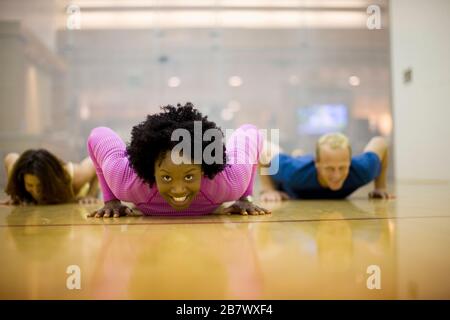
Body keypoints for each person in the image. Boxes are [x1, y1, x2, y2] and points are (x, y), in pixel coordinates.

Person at [87, 102, 270, 218]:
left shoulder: (230, 182)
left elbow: (250, 132)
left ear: (204, 169)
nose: (178, 189)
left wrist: (245, 197)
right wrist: (111, 200)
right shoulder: (125, 182)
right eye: (166, 177)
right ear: (151, 171)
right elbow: (98, 135)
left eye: (189, 177)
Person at [259, 132, 394, 201]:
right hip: (296, 169)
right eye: (330, 168)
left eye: (342, 168)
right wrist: (268, 189)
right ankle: (298, 154)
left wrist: (380, 187)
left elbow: (380, 142)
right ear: (317, 163)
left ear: (350, 161)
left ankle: (299, 153)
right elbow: (263, 153)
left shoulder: (363, 169)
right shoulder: (294, 171)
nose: (337, 175)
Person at [3, 149, 99, 205]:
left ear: (50, 182)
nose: (36, 192)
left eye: (40, 186)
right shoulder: (18, 173)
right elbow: (10, 157)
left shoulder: (76, 178)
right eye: (30, 185)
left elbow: (96, 161)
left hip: (77, 193)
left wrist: (90, 194)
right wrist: (15, 195)